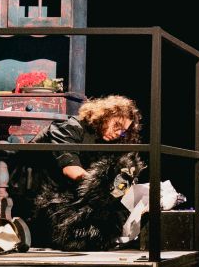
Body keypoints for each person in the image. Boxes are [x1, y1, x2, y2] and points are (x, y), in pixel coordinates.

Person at [27, 95, 145, 248]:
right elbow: (71, 169)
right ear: (104, 115)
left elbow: (121, 172)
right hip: (35, 190)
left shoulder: (105, 140)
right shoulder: (69, 127)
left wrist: (120, 190)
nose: (118, 133)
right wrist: (104, 191)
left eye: (123, 131)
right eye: (117, 125)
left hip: (66, 191)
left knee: (126, 172)